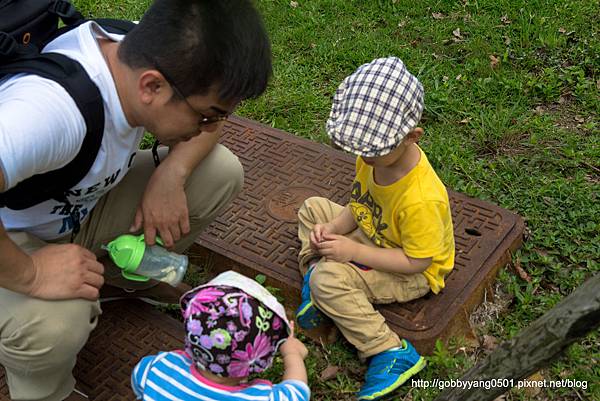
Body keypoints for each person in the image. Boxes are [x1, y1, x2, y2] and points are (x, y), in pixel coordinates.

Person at [0, 1, 272, 400]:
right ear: (152, 87)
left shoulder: (139, 47)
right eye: (205, 116)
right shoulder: (50, 112)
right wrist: (31, 274)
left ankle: (113, 283)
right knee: (57, 322)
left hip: (71, 211)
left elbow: (207, 133)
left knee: (217, 173)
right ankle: (45, 390)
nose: (209, 127)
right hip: (13, 241)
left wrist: (171, 174)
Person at [295, 57, 455, 400]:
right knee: (312, 209)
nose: (363, 155)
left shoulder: (421, 199)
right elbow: (360, 204)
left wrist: (352, 252)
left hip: (410, 270)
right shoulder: (373, 159)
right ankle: (317, 278)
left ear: (412, 137)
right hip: (376, 235)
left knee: (330, 280)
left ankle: (389, 352)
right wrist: (333, 229)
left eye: (373, 149)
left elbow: (418, 261)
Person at [131, 270, 310, 400]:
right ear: (260, 359)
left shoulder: (158, 367)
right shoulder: (262, 398)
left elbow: (138, 384)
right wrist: (292, 353)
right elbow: (297, 392)